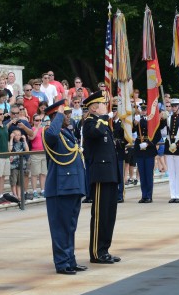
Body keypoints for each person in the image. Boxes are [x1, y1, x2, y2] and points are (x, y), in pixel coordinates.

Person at [42, 99, 87, 275]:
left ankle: (70, 260)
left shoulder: (67, 133)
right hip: (60, 188)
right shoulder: (50, 132)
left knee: (70, 226)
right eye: (65, 114)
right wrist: (58, 115)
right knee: (60, 227)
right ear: (56, 117)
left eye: (67, 114)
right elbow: (52, 134)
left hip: (72, 186)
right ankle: (62, 263)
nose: (69, 117)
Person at [81, 91, 121, 264]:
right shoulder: (90, 123)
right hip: (99, 175)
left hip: (110, 174)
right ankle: (96, 252)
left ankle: (104, 249)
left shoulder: (102, 123)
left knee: (109, 214)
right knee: (99, 215)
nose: (107, 107)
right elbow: (95, 133)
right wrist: (104, 118)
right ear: (94, 108)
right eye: (103, 104)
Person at [133, 104, 163, 203]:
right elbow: (132, 131)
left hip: (149, 150)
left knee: (149, 174)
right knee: (142, 173)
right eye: (142, 109)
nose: (144, 111)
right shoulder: (137, 119)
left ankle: (149, 195)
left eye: (145, 109)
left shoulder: (152, 120)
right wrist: (135, 123)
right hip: (139, 149)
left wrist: (148, 143)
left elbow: (157, 135)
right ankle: (143, 195)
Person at [164, 98, 179, 203]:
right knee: (172, 173)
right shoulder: (168, 118)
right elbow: (164, 132)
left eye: (175, 106)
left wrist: (176, 145)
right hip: (169, 147)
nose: (173, 108)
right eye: (172, 106)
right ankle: (173, 194)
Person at [28, 113, 47, 199]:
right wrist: (37, 128)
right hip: (35, 153)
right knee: (35, 173)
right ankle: (34, 190)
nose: (38, 122)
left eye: (40, 120)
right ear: (33, 121)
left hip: (44, 152)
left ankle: (43, 190)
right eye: (36, 120)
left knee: (43, 173)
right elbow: (32, 137)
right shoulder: (31, 129)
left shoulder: (43, 129)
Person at [8, 128, 29, 202]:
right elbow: (9, 149)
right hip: (13, 165)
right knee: (14, 181)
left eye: (19, 135)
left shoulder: (22, 143)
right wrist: (11, 138)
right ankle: (15, 194)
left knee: (19, 182)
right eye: (16, 135)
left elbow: (27, 150)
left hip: (21, 164)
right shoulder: (11, 142)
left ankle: (19, 195)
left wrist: (25, 140)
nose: (17, 136)